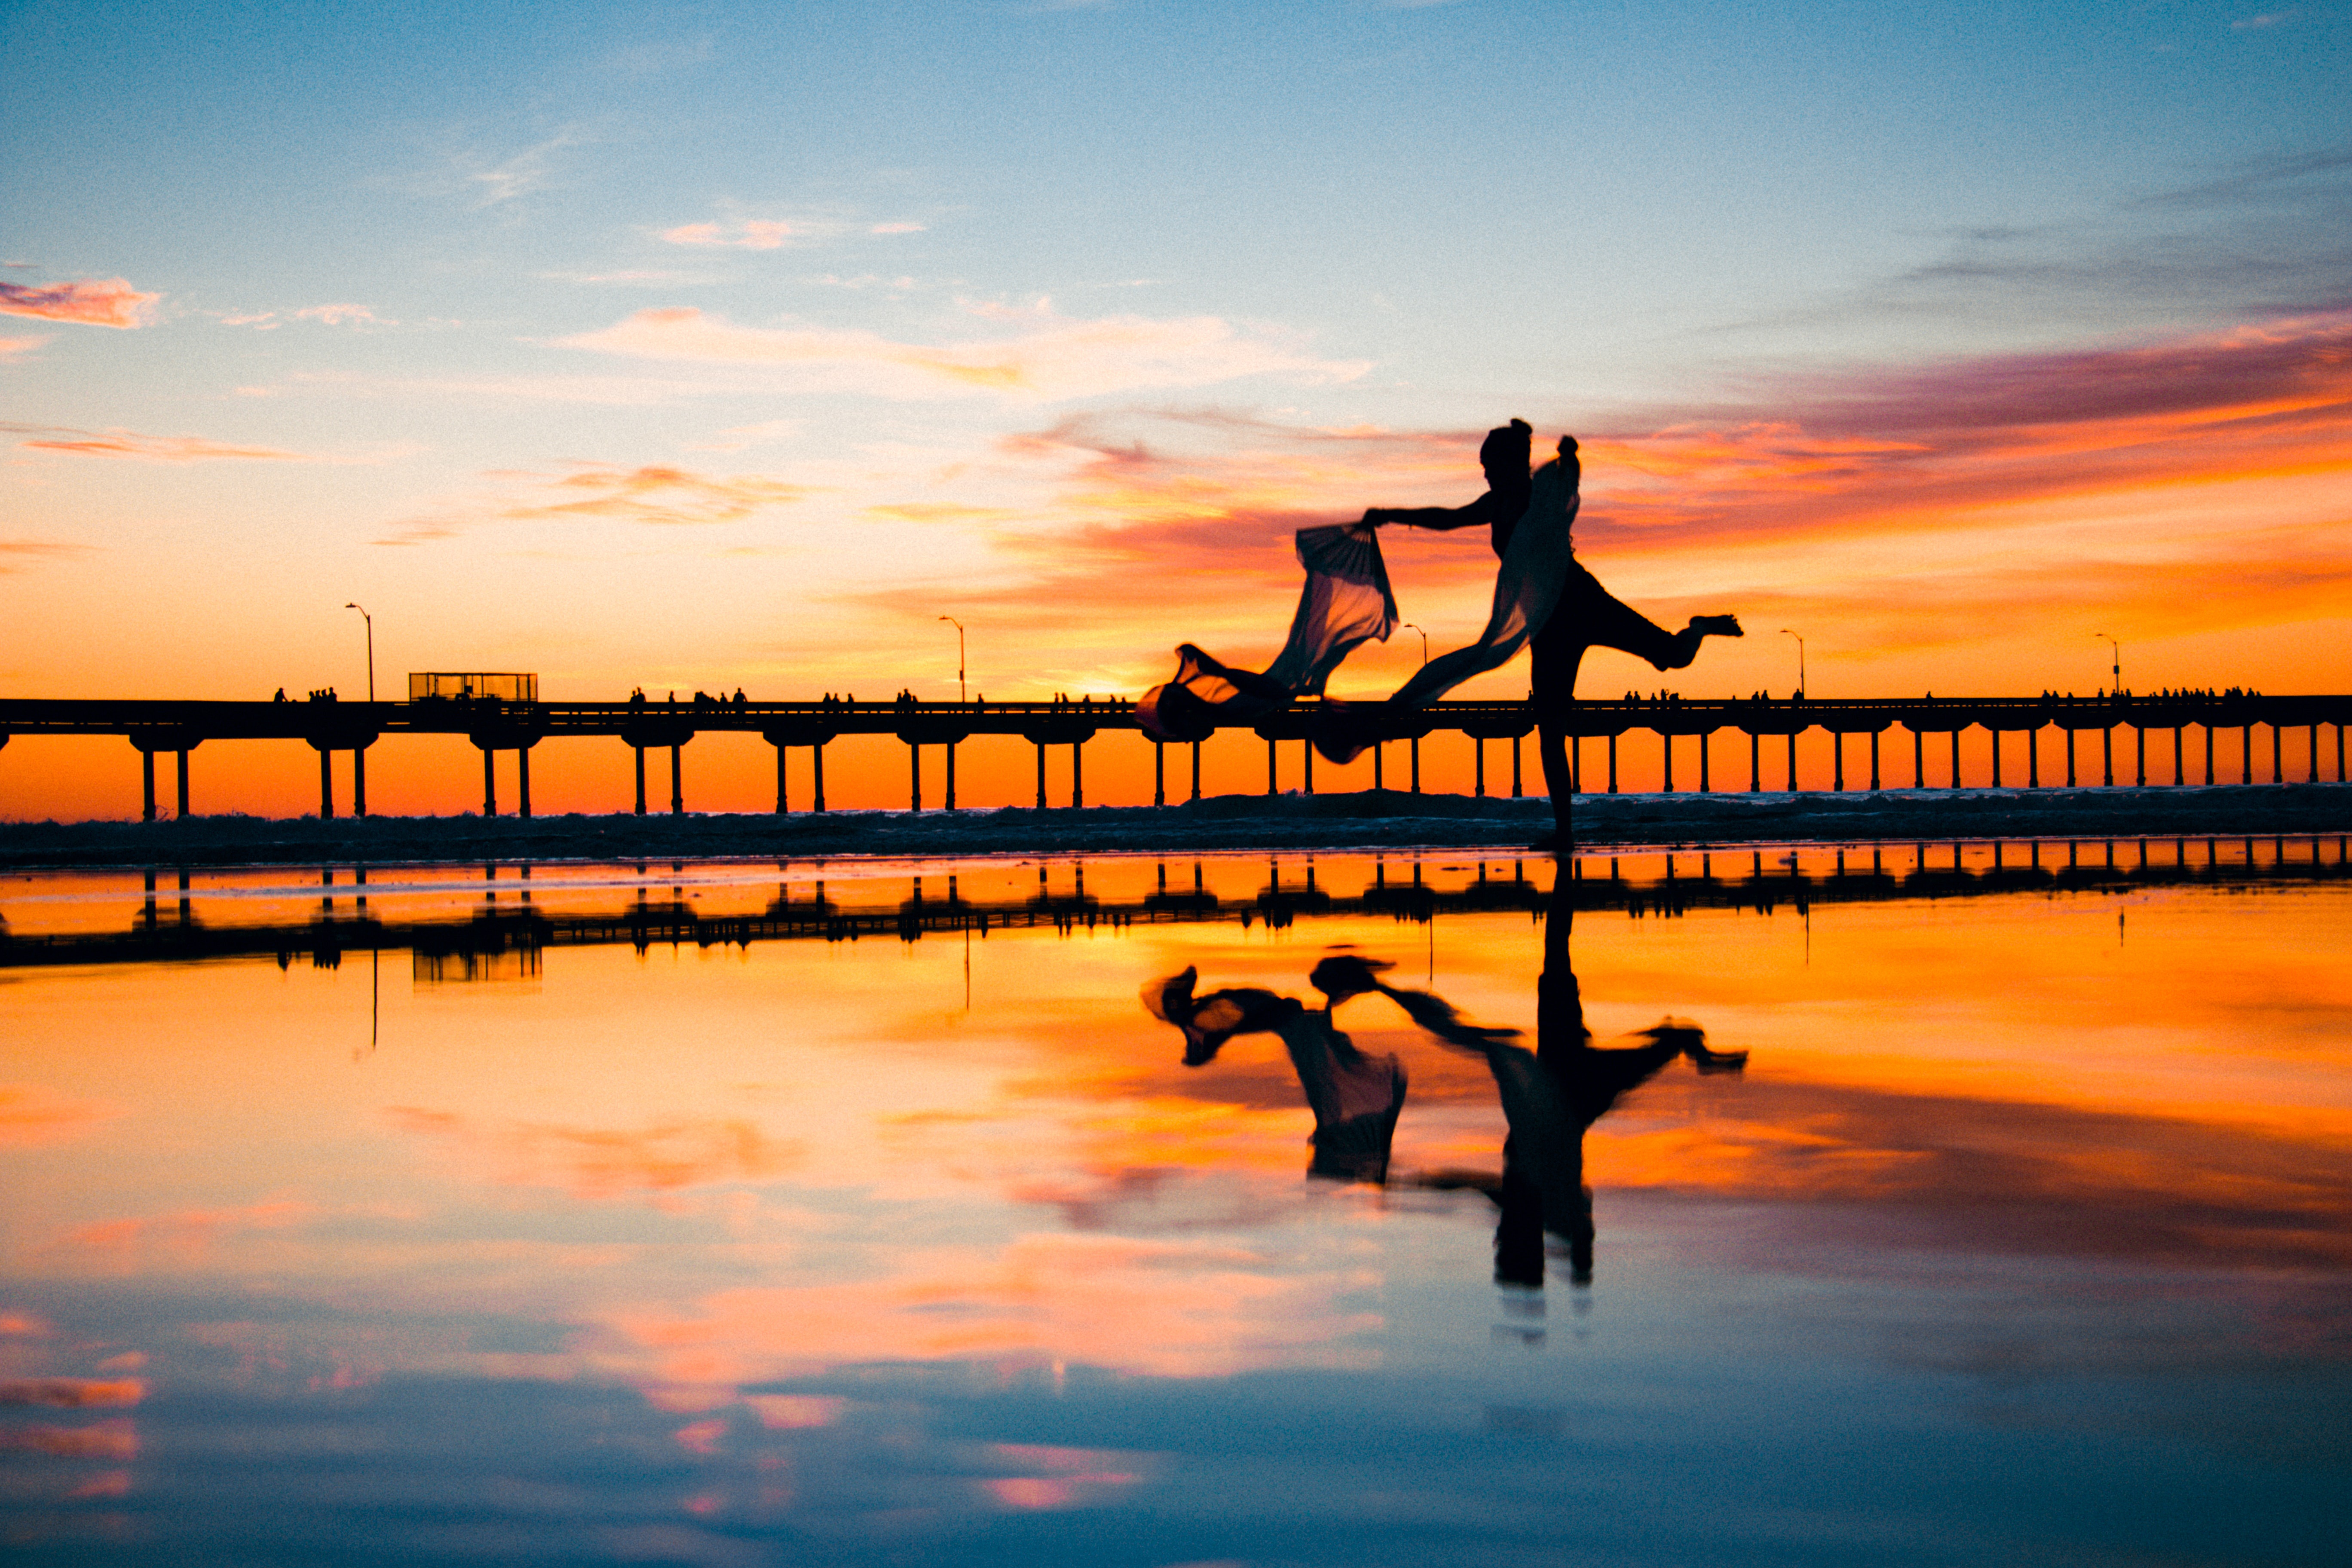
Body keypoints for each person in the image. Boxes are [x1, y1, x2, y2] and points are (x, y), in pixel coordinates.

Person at [1364, 422, 1741, 848]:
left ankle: (1700, 627)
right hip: (1546, 624)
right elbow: (1449, 519)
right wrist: (1392, 516)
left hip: (1584, 603)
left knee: (1672, 656)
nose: (1485, 474)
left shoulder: (1538, 496)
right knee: (1550, 725)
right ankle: (1564, 832)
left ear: (1511, 464)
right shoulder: (1498, 502)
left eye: (1490, 466)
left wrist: (1570, 460)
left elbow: (1566, 483)